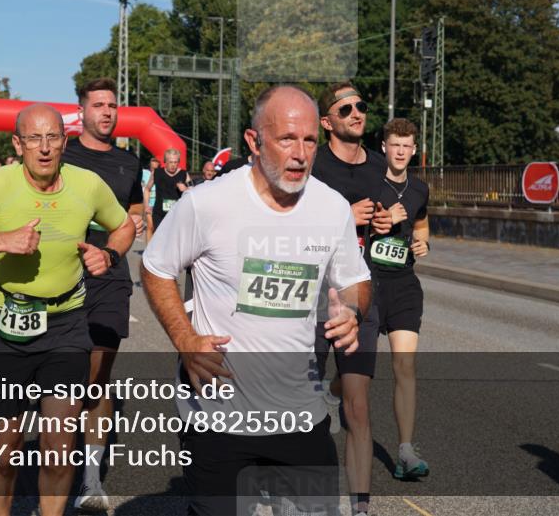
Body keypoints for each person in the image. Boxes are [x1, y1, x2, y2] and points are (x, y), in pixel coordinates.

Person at [141, 85, 370, 516]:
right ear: (254, 140)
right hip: (217, 416)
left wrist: (352, 310)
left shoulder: (332, 207)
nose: (300, 154)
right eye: (287, 139)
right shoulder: (207, 204)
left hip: (300, 413)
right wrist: (185, 340)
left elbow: (356, 280)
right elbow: (156, 268)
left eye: (309, 141)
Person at [0, 103, 135, 516]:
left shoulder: (88, 185)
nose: (44, 148)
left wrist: (109, 254)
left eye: (52, 137)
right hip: (4, 324)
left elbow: (123, 225)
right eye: (34, 139)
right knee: (4, 450)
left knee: (59, 447)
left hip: (67, 324)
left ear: (64, 142)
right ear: (18, 144)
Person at [61, 78, 146, 511]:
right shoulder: (62, 155)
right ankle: (57, 466)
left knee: (96, 376)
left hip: (111, 275)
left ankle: (90, 481)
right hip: (63, 274)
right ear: (82, 112)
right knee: (62, 377)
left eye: (112, 105)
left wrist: (134, 224)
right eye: (99, 105)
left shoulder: (129, 162)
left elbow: (134, 210)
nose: (107, 112)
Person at [310, 82, 392, 516]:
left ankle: (361, 508)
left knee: (358, 408)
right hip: (310, 298)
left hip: (360, 296)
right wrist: (345, 215)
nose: (357, 113)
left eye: (361, 105)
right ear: (327, 122)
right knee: (300, 406)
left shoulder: (379, 166)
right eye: (346, 109)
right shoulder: (313, 164)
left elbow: (387, 221)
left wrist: (385, 222)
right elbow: (289, 219)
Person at [373, 118, 431, 479]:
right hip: (367, 281)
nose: (400, 151)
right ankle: (332, 393)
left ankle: (405, 451)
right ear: (384, 147)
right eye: (395, 144)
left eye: (406, 146)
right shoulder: (368, 182)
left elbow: (421, 224)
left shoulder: (419, 188)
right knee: (355, 371)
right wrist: (379, 221)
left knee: (404, 366)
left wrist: (424, 243)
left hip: (403, 284)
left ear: (414, 150)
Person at [144, 148, 188, 236]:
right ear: (165, 161)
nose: (173, 165)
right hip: (159, 214)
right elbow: (147, 189)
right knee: (160, 238)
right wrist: (146, 205)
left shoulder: (184, 174)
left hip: (177, 215)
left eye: (175, 162)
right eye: (170, 162)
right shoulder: (157, 173)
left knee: (174, 238)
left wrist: (185, 189)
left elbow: (193, 191)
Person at [141, 156, 159, 243]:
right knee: (150, 225)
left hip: (158, 202)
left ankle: (155, 245)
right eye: (153, 161)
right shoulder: (144, 173)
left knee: (157, 227)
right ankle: (148, 247)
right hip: (149, 202)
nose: (153, 170)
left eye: (156, 168)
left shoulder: (161, 174)